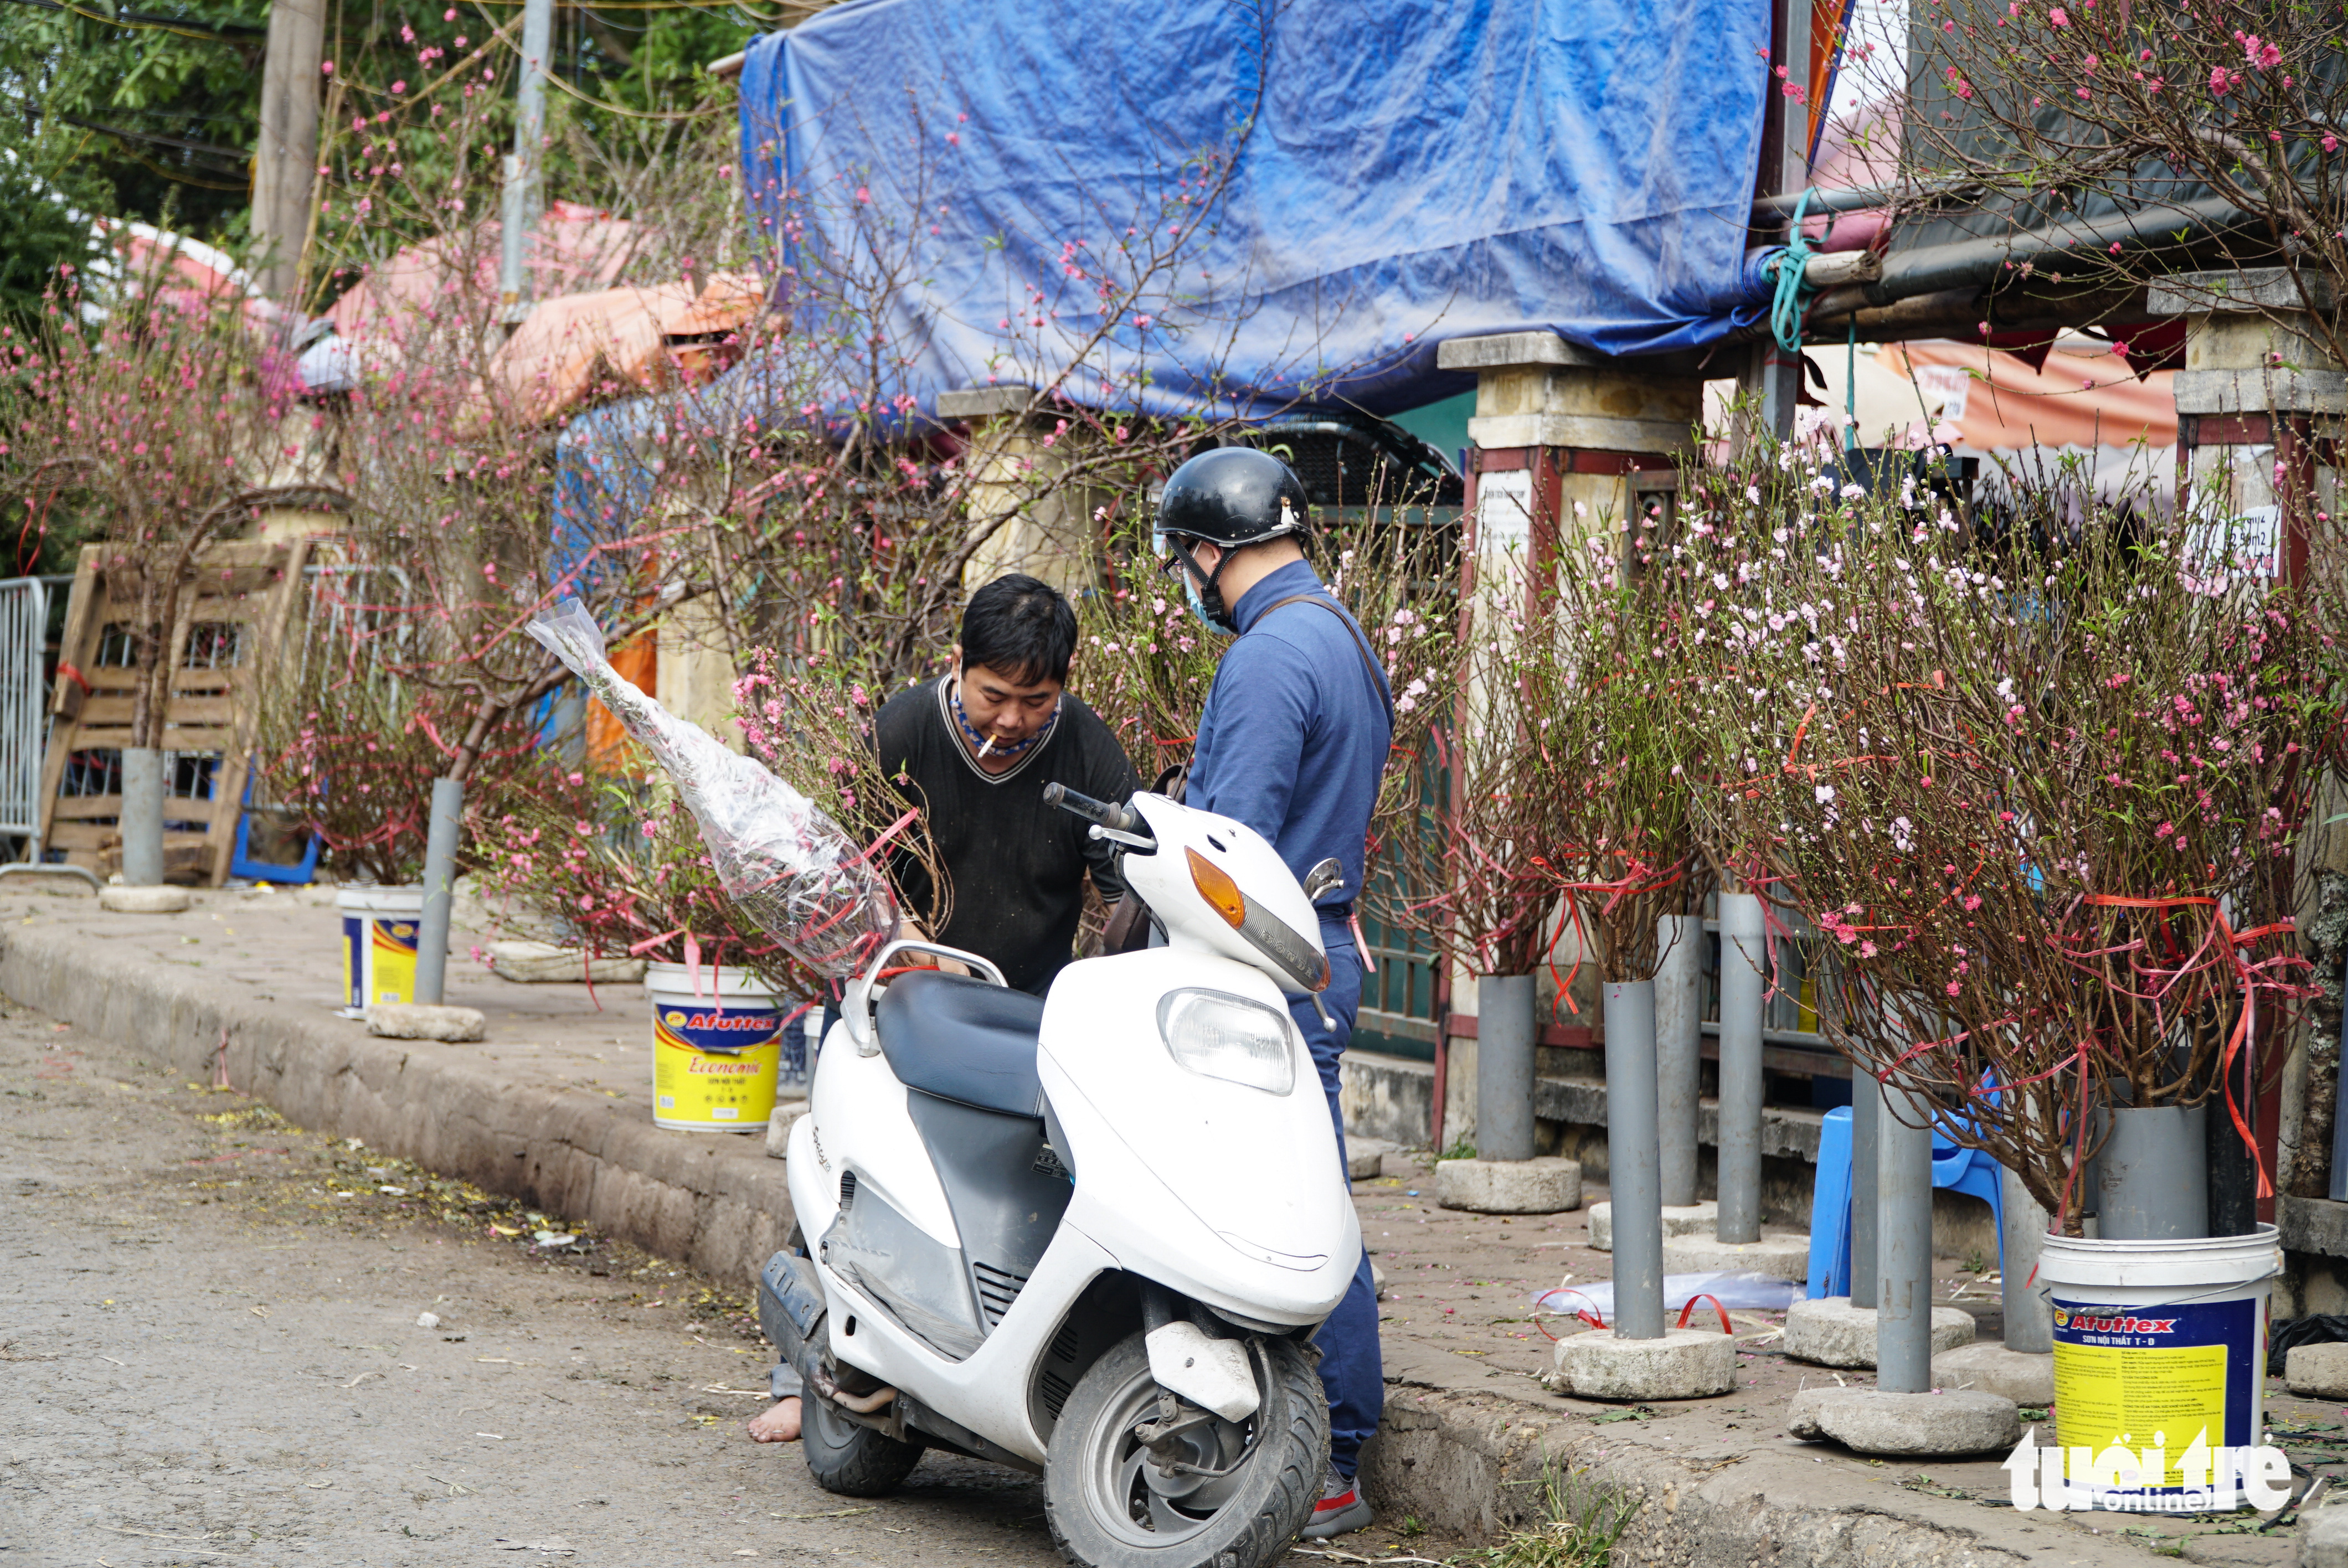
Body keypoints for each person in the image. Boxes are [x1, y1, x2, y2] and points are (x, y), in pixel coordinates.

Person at [748, 572, 1141, 1445]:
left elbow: (1127, 890)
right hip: (894, 998)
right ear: (957, 664)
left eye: (1035, 702)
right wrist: (898, 946)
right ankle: (802, 1375)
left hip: (1022, 1022)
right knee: (849, 1179)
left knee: (1013, 1199)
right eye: (995, 696)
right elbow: (834, 872)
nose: (1011, 721)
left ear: (1064, 687)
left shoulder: (1089, 753)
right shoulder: (901, 731)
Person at [1156, 445, 1392, 1538]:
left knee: (1282, 1210)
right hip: (1322, 949)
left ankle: (1327, 1457)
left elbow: (1228, 850)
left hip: (1263, 974)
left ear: (1210, 552)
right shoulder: (1340, 638)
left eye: (1185, 563)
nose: (1189, 584)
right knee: (1306, 1198)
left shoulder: (1262, 660)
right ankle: (1323, 1445)